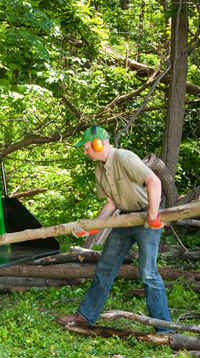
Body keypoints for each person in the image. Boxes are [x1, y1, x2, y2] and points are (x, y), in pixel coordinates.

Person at [57, 125, 172, 333]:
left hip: (145, 218)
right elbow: (111, 203)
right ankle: (85, 316)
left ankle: (164, 330)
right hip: (123, 221)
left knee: (148, 274)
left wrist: (153, 215)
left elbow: (153, 181)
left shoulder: (125, 158)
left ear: (98, 143)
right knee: (105, 268)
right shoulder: (99, 170)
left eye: (86, 147)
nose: (84, 152)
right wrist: (93, 228)